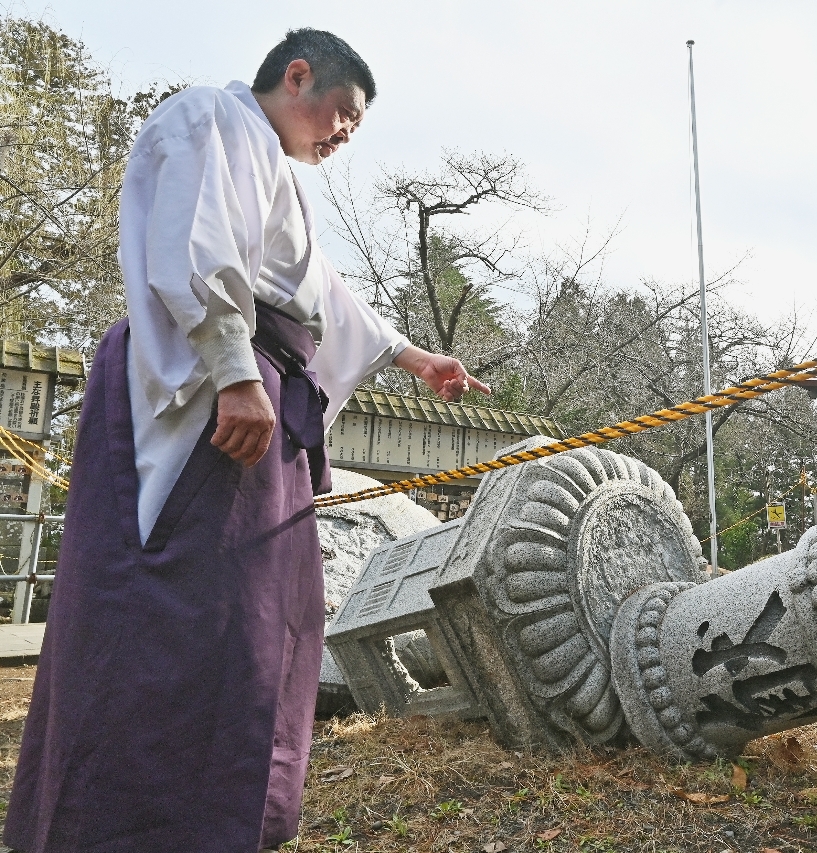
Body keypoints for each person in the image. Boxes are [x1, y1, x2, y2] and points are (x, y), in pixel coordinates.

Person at [4, 29, 489, 853]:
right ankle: (119, 825)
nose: (345, 134)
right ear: (298, 75)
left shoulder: (277, 175)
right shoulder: (210, 119)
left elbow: (322, 296)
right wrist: (233, 370)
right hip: (212, 391)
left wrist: (413, 357)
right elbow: (196, 245)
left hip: (265, 392)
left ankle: (222, 821)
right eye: (345, 113)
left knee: (262, 618)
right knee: (179, 603)